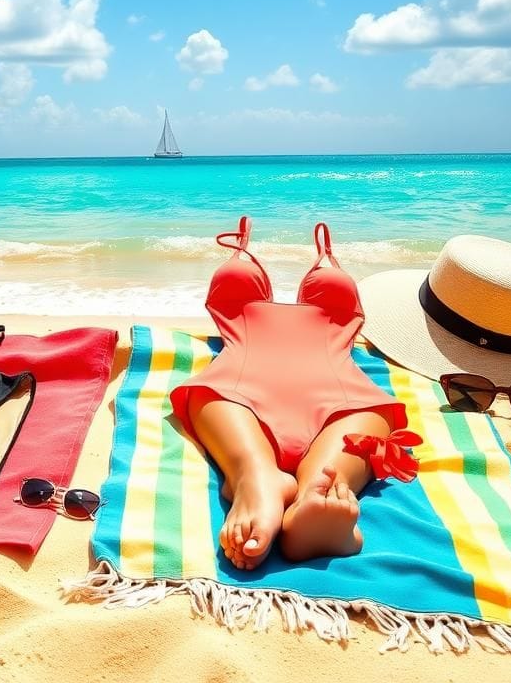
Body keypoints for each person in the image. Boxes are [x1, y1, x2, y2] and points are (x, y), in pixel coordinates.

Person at [170, 218, 416, 569]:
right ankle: (258, 478)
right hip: (259, 386)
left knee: (332, 468)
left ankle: (310, 504)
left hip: (294, 387)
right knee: (219, 404)